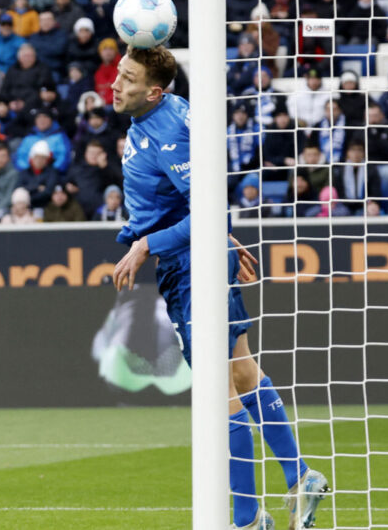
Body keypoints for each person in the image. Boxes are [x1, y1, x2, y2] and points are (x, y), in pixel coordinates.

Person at [108, 46, 327, 530]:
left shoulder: (167, 132)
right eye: (118, 75)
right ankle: (300, 477)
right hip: (206, 253)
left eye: (127, 78)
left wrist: (148, 245)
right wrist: (226, 241)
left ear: (154, 90)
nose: (115, 84)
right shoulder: (167, 112)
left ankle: (247, 519)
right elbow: (204, 198)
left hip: (189, 265)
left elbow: (206, 208)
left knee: (218, 389)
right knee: (245, 373)